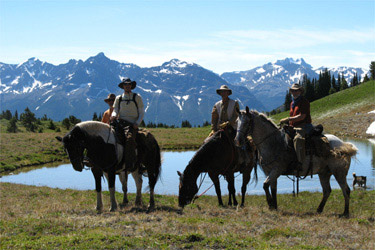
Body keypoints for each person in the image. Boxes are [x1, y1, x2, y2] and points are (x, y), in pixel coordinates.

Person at [110, 78, 144, 170]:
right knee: (108, 136)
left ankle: (130, 164)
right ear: (123, 86)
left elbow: (141, 112)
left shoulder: (137, 97)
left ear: (131, 86)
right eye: (125, 85)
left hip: (132, 124)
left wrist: (137, 123)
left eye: (129, 84)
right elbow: (116, 110)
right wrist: (113, 116)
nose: (127, 86)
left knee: (129, 139)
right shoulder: (119, 98)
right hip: (120, 122)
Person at [280, 83, 312, 168]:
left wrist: (288, 119)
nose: (294, 92)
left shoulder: (304, 102)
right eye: (293, 91)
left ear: (300, 91)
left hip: (304, 126)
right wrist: (288, 123)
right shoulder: (292, 103)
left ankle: (301, 163)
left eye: (296, 90)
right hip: (294, 126)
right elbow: (293, 115)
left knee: (298, 139)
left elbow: (302, 116)